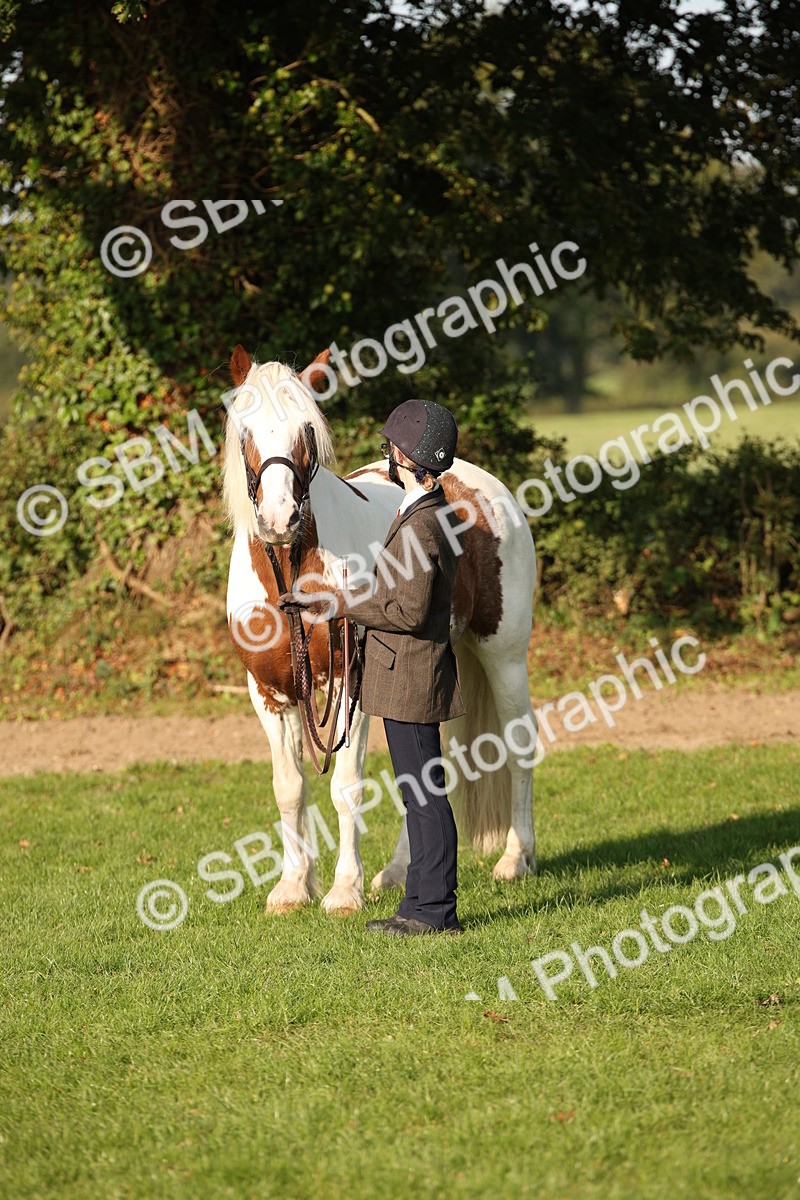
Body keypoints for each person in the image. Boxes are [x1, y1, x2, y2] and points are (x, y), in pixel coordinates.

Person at [279, 399, 464, 936]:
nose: (387, 456)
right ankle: (424, 906)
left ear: (407, 459)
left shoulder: (424, 525)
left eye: (392, 449)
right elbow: (397, 591)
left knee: (424, 797)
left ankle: (431, 912)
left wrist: (339, 605)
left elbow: (404, 609)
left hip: (410, 676)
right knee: (420, 793)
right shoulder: (423, 513)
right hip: (409, 673)